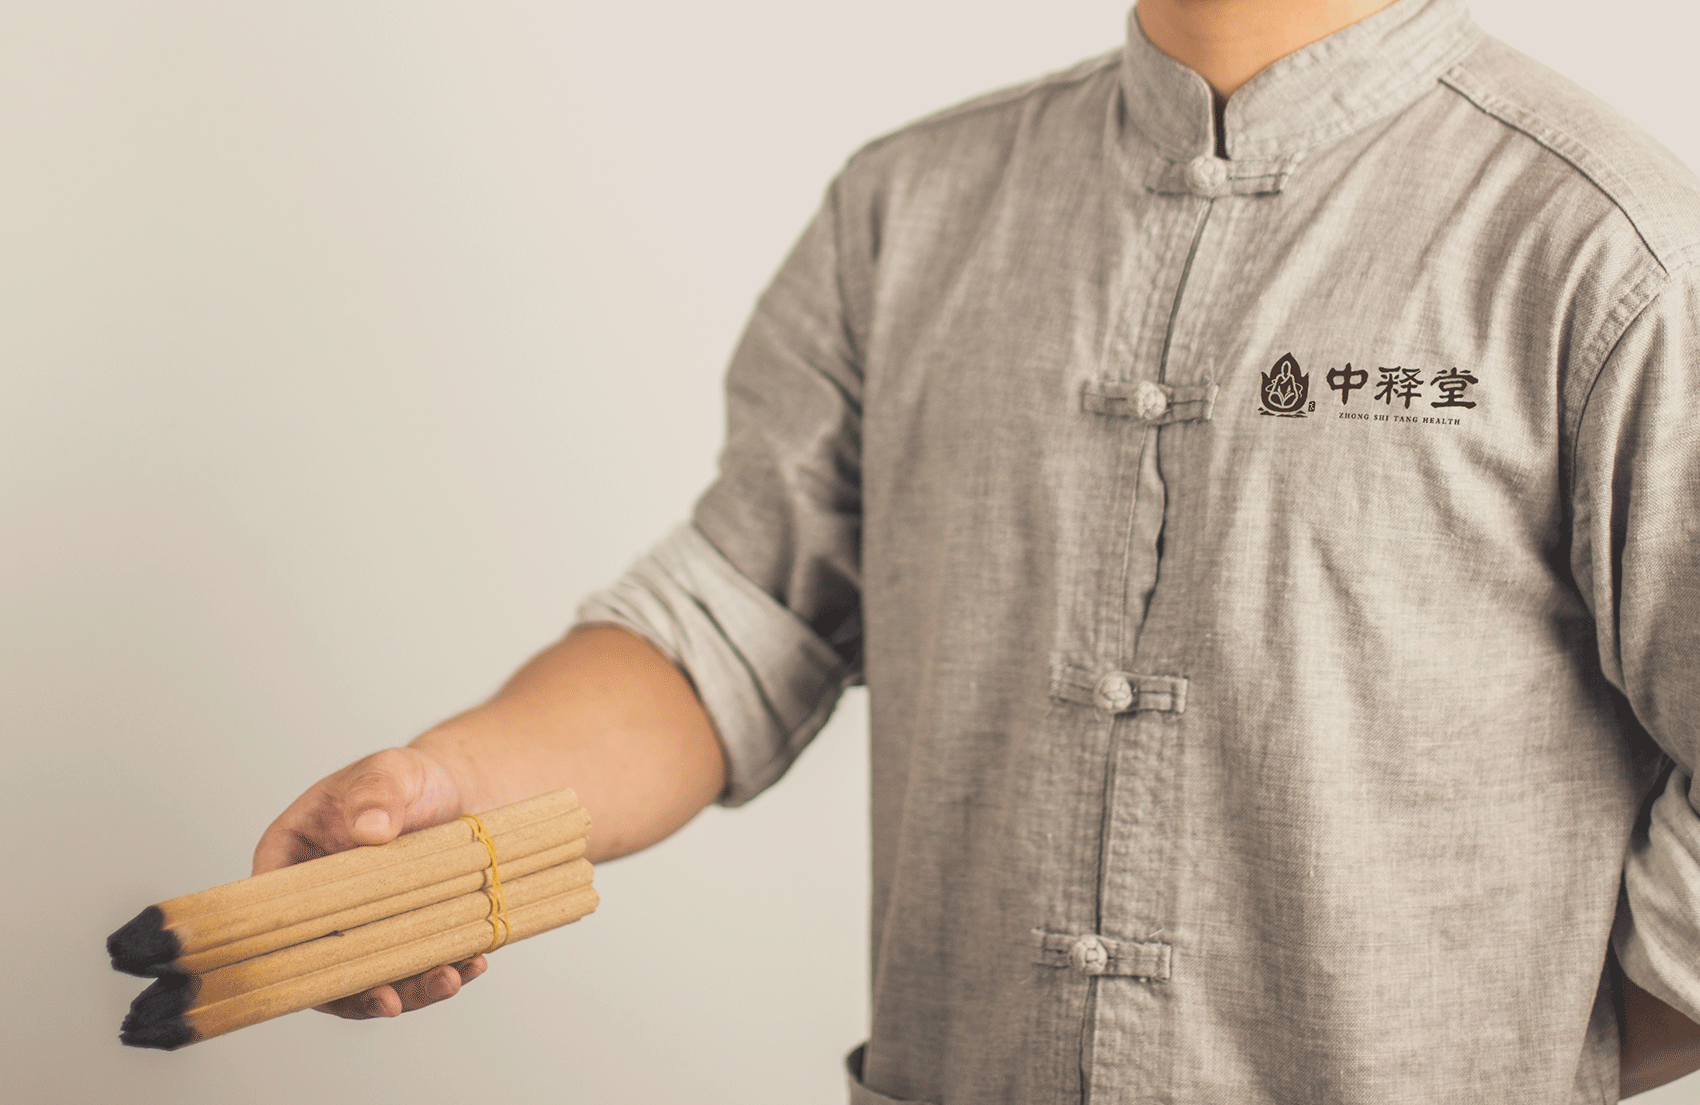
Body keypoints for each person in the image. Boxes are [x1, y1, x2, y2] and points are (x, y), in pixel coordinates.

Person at [254, 0, 1700, 1098]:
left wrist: (1547, 1052)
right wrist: (450, 794)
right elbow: (740, 617)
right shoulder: (908, 209)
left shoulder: (1604, 246)